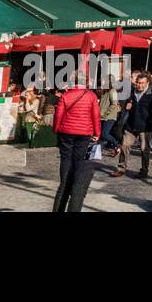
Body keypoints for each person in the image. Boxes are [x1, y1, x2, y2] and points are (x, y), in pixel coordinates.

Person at [51, 72, 99, 212]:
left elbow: (58, 115)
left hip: (66, 134)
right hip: (84, 134)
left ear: (72, 81)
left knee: (65, 171)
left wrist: (56, 129)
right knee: (79, 171)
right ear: (87, 81)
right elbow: (95, 116)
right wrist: (97, 133)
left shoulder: (66, 95)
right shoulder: (91, 96)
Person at [111, 71, 152, 180]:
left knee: (144, 149)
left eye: (142, 83)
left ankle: (144, 171)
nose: (140, 85)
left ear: (147, 83)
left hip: (146, 126)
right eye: (138, 83)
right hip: (131, 125)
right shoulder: (131, 92)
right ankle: (121, 168)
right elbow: (122, 105)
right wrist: (127, 106)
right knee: (124, 146)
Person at [99, 82, 121, 155]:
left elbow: (114, 104)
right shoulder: (105, 91)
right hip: (102, 117)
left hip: (109, 116)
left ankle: (117, 144)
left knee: (104, 134)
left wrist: (106, 113)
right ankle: (98, 151)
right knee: (101, 135)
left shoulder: (113, 91)